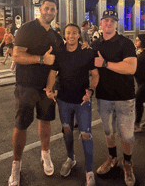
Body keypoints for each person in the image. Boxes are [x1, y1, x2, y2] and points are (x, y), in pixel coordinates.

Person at [8, 0, 64, 186]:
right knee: (21, 125)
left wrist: (51, 87)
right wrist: (41, 59)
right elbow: (16, 55)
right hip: (26, 86)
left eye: (53, 9)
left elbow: (56, 64)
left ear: (56, 12)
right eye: (46, 8)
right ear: (40, 9)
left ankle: (45, 154)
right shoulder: (27, 28)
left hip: (46, 89)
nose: (49, 11)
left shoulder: (56, 36)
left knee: (46, 121)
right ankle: (16, 165)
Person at [44, 23, 99, 186]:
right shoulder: (59, 53)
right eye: (68, 33)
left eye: (74, 33)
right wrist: (49, 89)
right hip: (63, 100)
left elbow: (95, 75)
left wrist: (90, 91)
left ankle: (89, 170)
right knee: (67, 130)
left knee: (85, 134)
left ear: (78, 35)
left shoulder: (87, 52)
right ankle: (71, 159)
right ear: (65, 35)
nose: (71, 36)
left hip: (82, 100)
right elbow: (53, 73)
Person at [91, 10, 137, 186]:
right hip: (103, 96)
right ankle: (112, 158)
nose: (109, 23)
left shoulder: (126, 43)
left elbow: (131, 68)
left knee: (127, 135)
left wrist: (105, 64)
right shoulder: (95, 45)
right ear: (101, 23)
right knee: (109, 131)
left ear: (117, 24)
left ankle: (127, 163)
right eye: (105, 20)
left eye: (112, 20)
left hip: (124, 97)